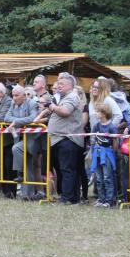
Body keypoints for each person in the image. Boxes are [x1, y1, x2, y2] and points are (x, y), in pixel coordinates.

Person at [48, 72, 83, 204]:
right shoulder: (63, 97)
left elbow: (65, 112)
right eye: (57, 83)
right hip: (60, 139)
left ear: (70, 85)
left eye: (61, 83)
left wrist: (51, 106)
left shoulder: (72, 96)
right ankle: (70, 197)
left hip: (68, 140)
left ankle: (67, 198)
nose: (58, 85)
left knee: (67, 169)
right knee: (64, 170)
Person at [6, 85, 39, 200]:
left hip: (33, 138)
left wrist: (16, 122)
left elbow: (33, 118)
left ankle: (19, 174)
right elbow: (6, 118)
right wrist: (17, 121)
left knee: (17, 149)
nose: (14, 98)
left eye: (16, 95)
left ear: (24, 95)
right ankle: (27, 194)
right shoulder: (12, 103)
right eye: (13, 95)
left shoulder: (32, 104)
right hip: (19, 138)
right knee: (27, 165)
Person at [90, 104, 118, 208]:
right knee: (99, 178)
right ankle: (101, 199)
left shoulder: (112, 127)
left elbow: (115, 142)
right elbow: (92, 139)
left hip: (107, 154)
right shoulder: (96, 126)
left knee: (108, 177)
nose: (96, 113)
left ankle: (109, 200)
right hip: (97, 153)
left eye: (97, 111)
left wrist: (114, 154)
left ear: (104, 113)